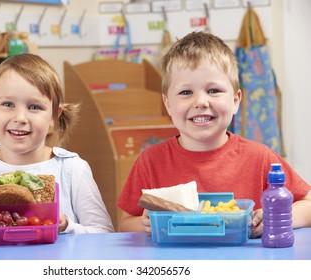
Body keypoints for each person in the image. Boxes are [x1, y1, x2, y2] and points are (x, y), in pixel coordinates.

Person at [116, 31, 311, 237]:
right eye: (186, 92)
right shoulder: (150, 162)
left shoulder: (260, 158)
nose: (200, 102)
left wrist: (276, 216)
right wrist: (146, 225)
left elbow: (308, 206)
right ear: (168, 104)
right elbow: (126, 222)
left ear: (235, 101)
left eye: (213, 91)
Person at [0, 54, 114, 234]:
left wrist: (67, 226)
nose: (20, 118)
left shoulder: (72, 169)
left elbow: (104, 234)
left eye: (34, 107)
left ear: (54, 116)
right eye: (8, 104)